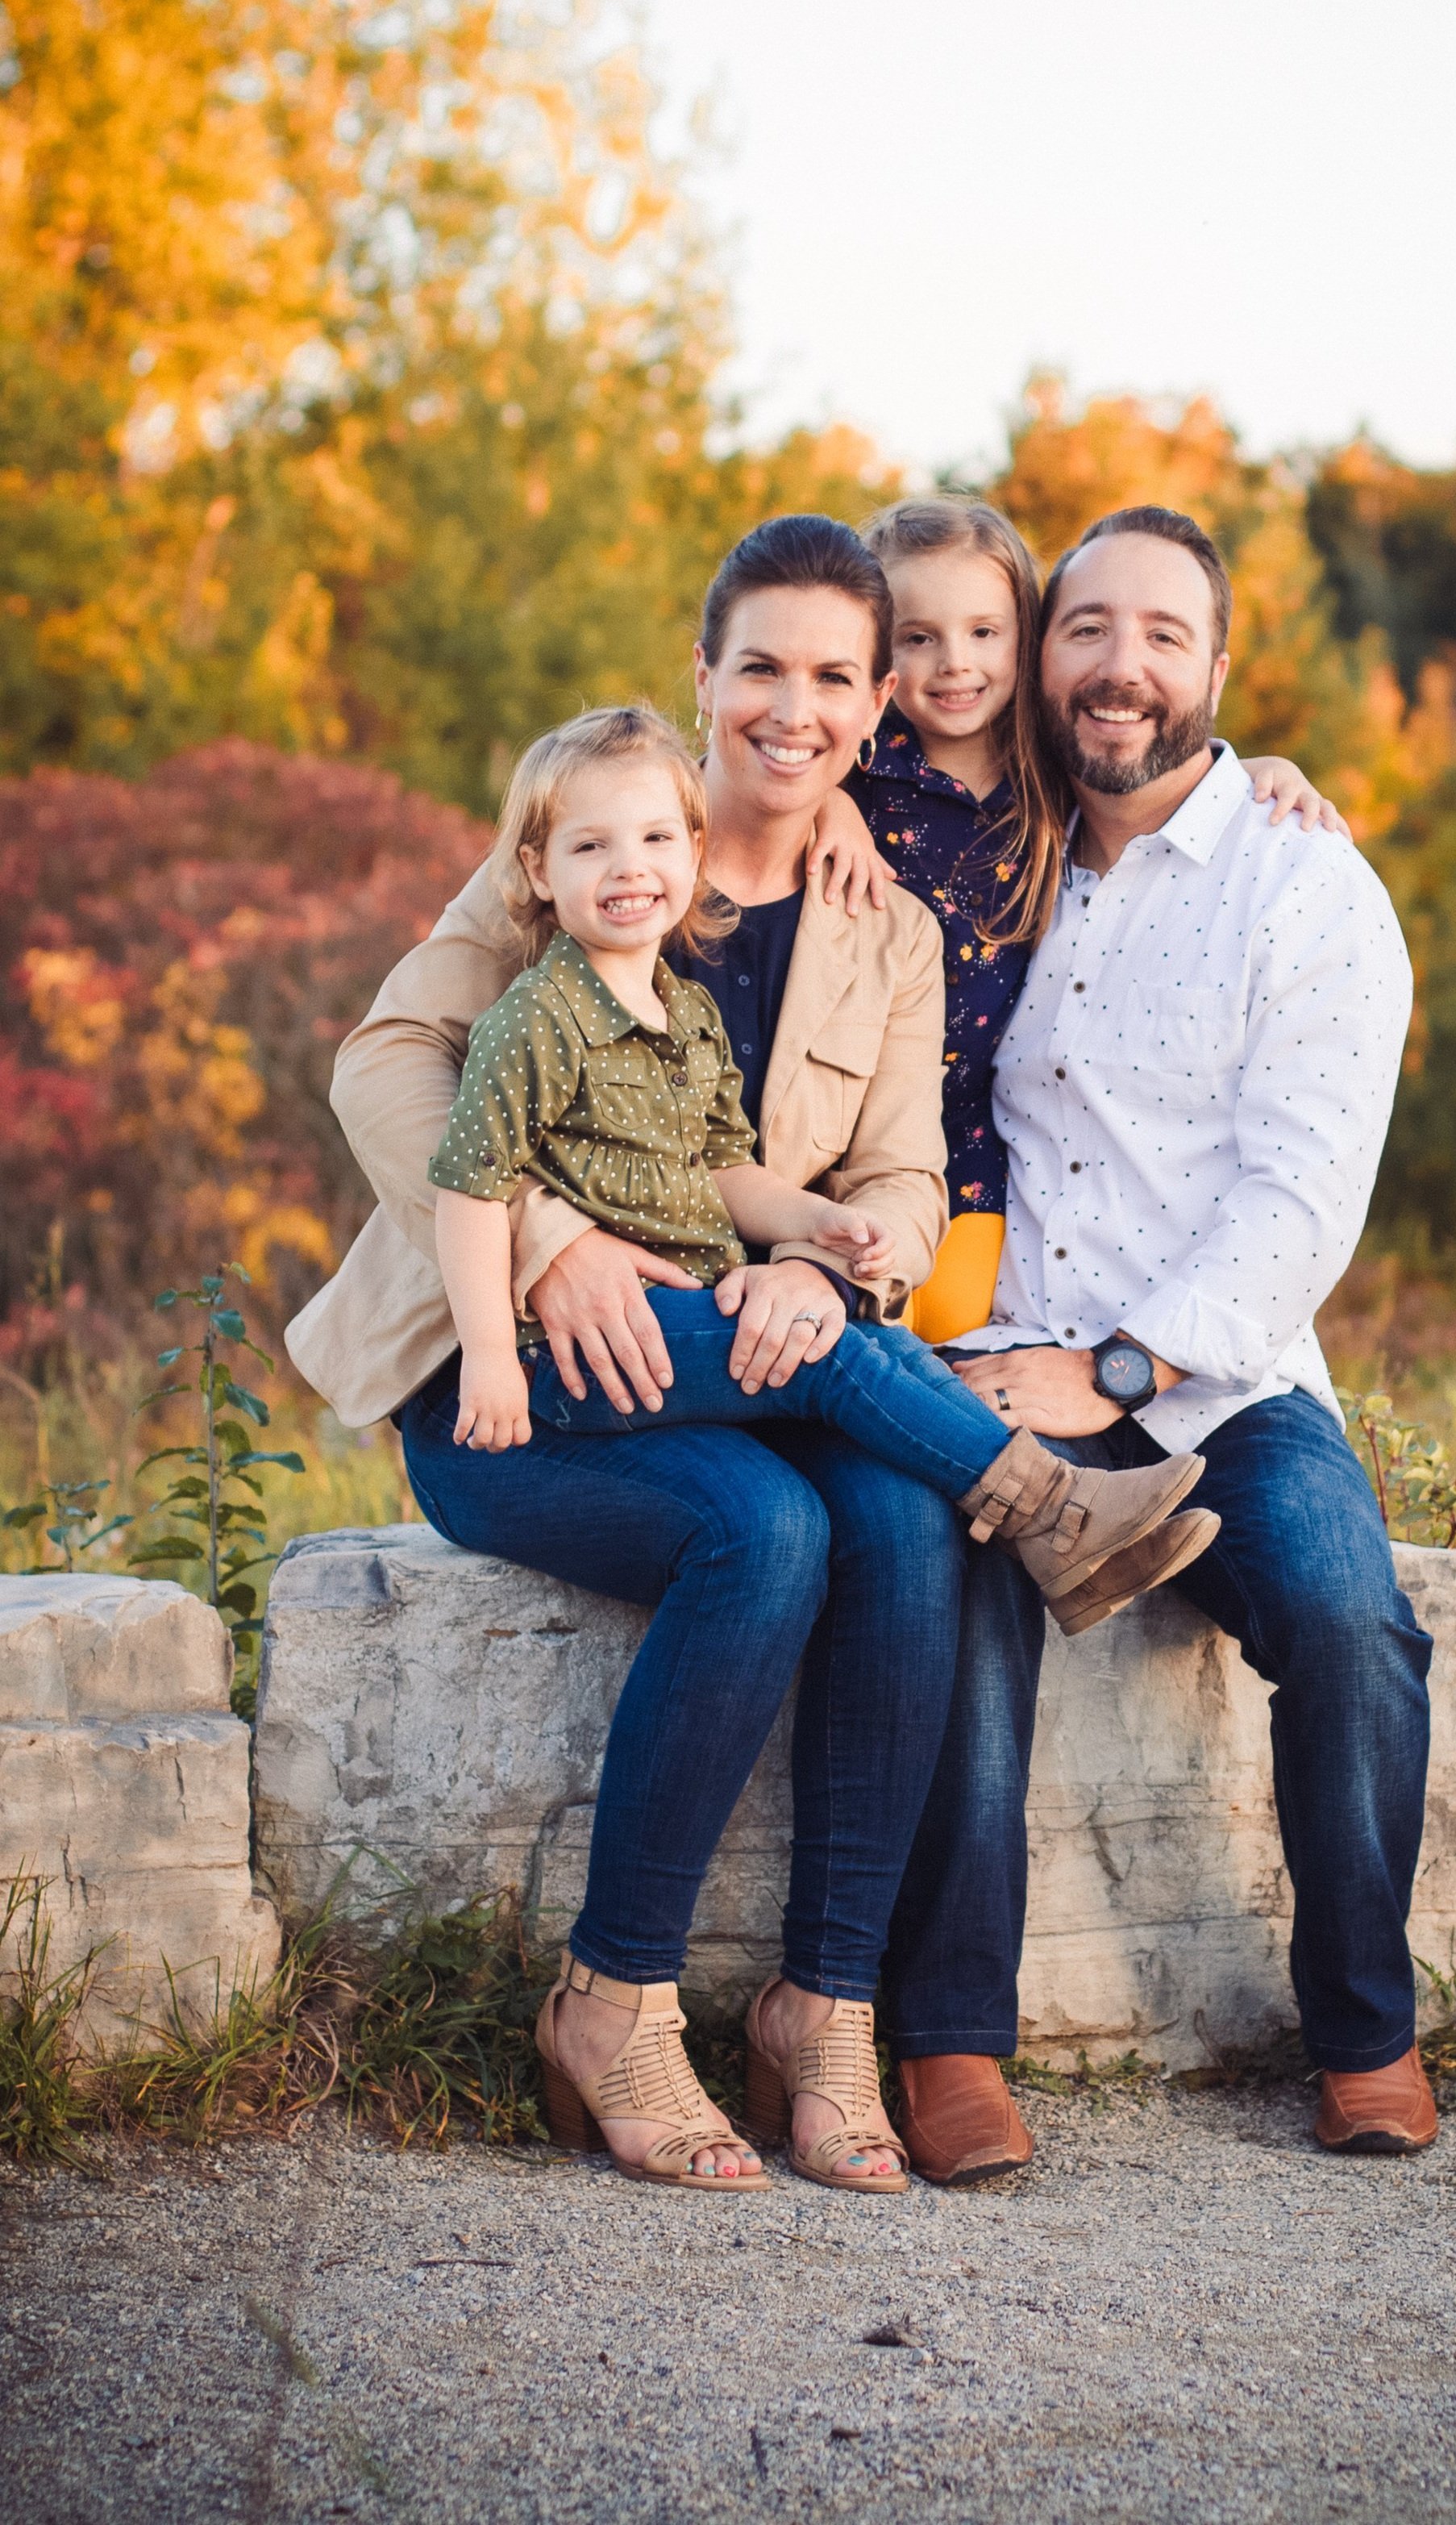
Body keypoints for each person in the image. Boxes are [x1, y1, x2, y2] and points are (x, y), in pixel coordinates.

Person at [289, 516, 973, 2194]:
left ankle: (823, 2010)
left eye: (831, 676)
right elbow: (383, 1061)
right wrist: (544, 1238)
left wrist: (837, 1267)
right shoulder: (588, 832)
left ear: (875, 702)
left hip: (745, 1361)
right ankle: (613, 2001)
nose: (791, 709)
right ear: (705, 674)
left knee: (886, 1527)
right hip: (511, 1377)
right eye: (760, 667)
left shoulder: (885, 930)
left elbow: (900, 1170)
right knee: (769, 1532)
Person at [928, 502, 1440, 2162]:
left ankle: (1364, 2030)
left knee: (1350, 1619)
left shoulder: (1306, 886)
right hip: (1006, 1354)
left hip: (1222, 1383)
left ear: (1221, 665)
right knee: (962, 1598)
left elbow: (1302, 1197)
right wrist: (1051, 1380)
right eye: (1084, 628)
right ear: (1038, 656)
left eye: (1162, 633)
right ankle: (950, 2042)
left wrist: (1127, 1367)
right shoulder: (979, 862)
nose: (1119, 665)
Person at [431, 697, 1218, 1638]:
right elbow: (468, 1186)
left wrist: (811, 1226)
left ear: (689, 849)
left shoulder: (681, 1014)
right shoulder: (538, 1013)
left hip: (689, 1301)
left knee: (877, 1337)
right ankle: (1052, 1511)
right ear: (538, 869)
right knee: (828, 1352)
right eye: (591, 848)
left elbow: (724, 1168)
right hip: (586, 1343)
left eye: (651, 840)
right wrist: (487, 1350)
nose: (627, 868)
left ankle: (1060, 1530)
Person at [852, 495, 1343, 1344]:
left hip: (969, 1172)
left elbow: (1159, 761)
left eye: (984, 633)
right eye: (917, 637)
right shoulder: (853, 768)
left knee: (928, 1379)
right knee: (850, 1375)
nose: (954, 663)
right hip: (839, 1151)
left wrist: (1260, 767)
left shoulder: (1042, 777)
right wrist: (817, 809)